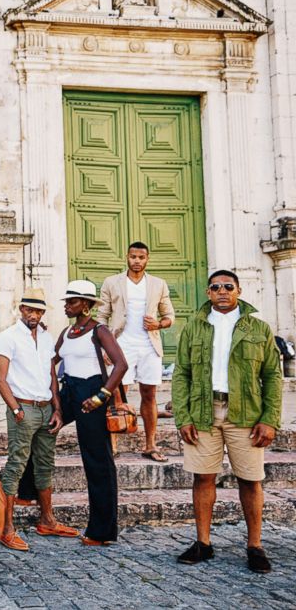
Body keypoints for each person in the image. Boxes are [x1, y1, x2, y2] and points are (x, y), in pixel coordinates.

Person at [172, 270, 282, 574]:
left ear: (238, 290)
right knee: (203, 477)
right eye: (215, 287)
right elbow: (181, 373)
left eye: (228, 287)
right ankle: (203, 543)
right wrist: (183, 416)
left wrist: (270, 419)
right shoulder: (194, 328)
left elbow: (272, 375)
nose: (222, 291)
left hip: (245, 414)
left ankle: (255, 546)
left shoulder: (258, 328)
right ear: (208, 292)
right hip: (203, 413)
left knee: (250, 478)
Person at [0, 288, 79, 551]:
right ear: (21, 310)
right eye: (29, 309)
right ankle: (7, 529)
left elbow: (51, 375)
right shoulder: (8, 337)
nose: (34, 314)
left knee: (45, 464)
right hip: (23, 408)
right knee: (16, 465)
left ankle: (47, 520)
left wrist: (57, 408)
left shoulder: (46, 337)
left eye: (39, 310)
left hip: (46, 409)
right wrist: (16, 410)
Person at [55, 279, 130, 546]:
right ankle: (28, 492)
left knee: (96, 460)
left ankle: (102, 530)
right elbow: (53, 359)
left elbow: (121, 364)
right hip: (69, 390)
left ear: (85, 305)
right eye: (66, 301)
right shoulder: (66, 332)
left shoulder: (100, 331)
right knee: (40, 427)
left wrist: (102, 396)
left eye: (72, 301)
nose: (67, 305)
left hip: (92, 392)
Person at [97, 242, 175, 462]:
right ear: (127, 257)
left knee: (149, 394)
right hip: (121, 345)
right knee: (116, 395)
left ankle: (150, 444)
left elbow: (169, 315)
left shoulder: (158, 284)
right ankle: (111, 446)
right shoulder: (112, 282)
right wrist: (105, 345)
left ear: (147, 259)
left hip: (149, 346)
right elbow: (102, 317)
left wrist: (158, 324)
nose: (137, 261)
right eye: (133, 257)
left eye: (141, 257)